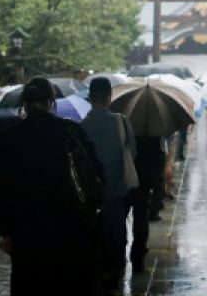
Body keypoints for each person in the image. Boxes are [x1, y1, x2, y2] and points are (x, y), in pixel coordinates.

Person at [0, 77, 104, 295]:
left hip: (26, 229)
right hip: (69, 226)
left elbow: (4, 188)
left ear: (25, 102)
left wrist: (5, 231)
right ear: (51, 101)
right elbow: (96, 173)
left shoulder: (11, 137)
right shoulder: (70, 131)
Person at [79, 77, 138, 289]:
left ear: (90, 98)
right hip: (118, 193)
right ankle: (114, 278)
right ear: (109, 97)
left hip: (92, 199)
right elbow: (133, 153)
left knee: (95, 243)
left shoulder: (81, 127)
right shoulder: (121, 122)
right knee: (116, 240)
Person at [130, 132, 167, 271]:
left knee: (137, 213)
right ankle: (138, 253)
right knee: (141, 214)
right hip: (149, 173)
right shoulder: (157, 128)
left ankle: (133, 252)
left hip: (135, 170)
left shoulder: (129, 122)